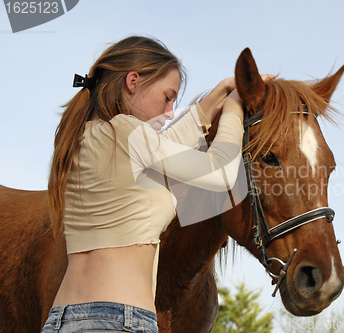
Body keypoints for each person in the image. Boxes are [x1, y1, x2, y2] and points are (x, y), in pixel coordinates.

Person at [42, 36, 272, 332]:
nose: (170, 111)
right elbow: (221, 173)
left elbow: (164, 147)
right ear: (133, 81)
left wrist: (220, 94)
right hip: (118, 319)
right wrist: (234, 109)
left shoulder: (88, 137)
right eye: (167, 97)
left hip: (63, 319)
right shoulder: (126, 133)